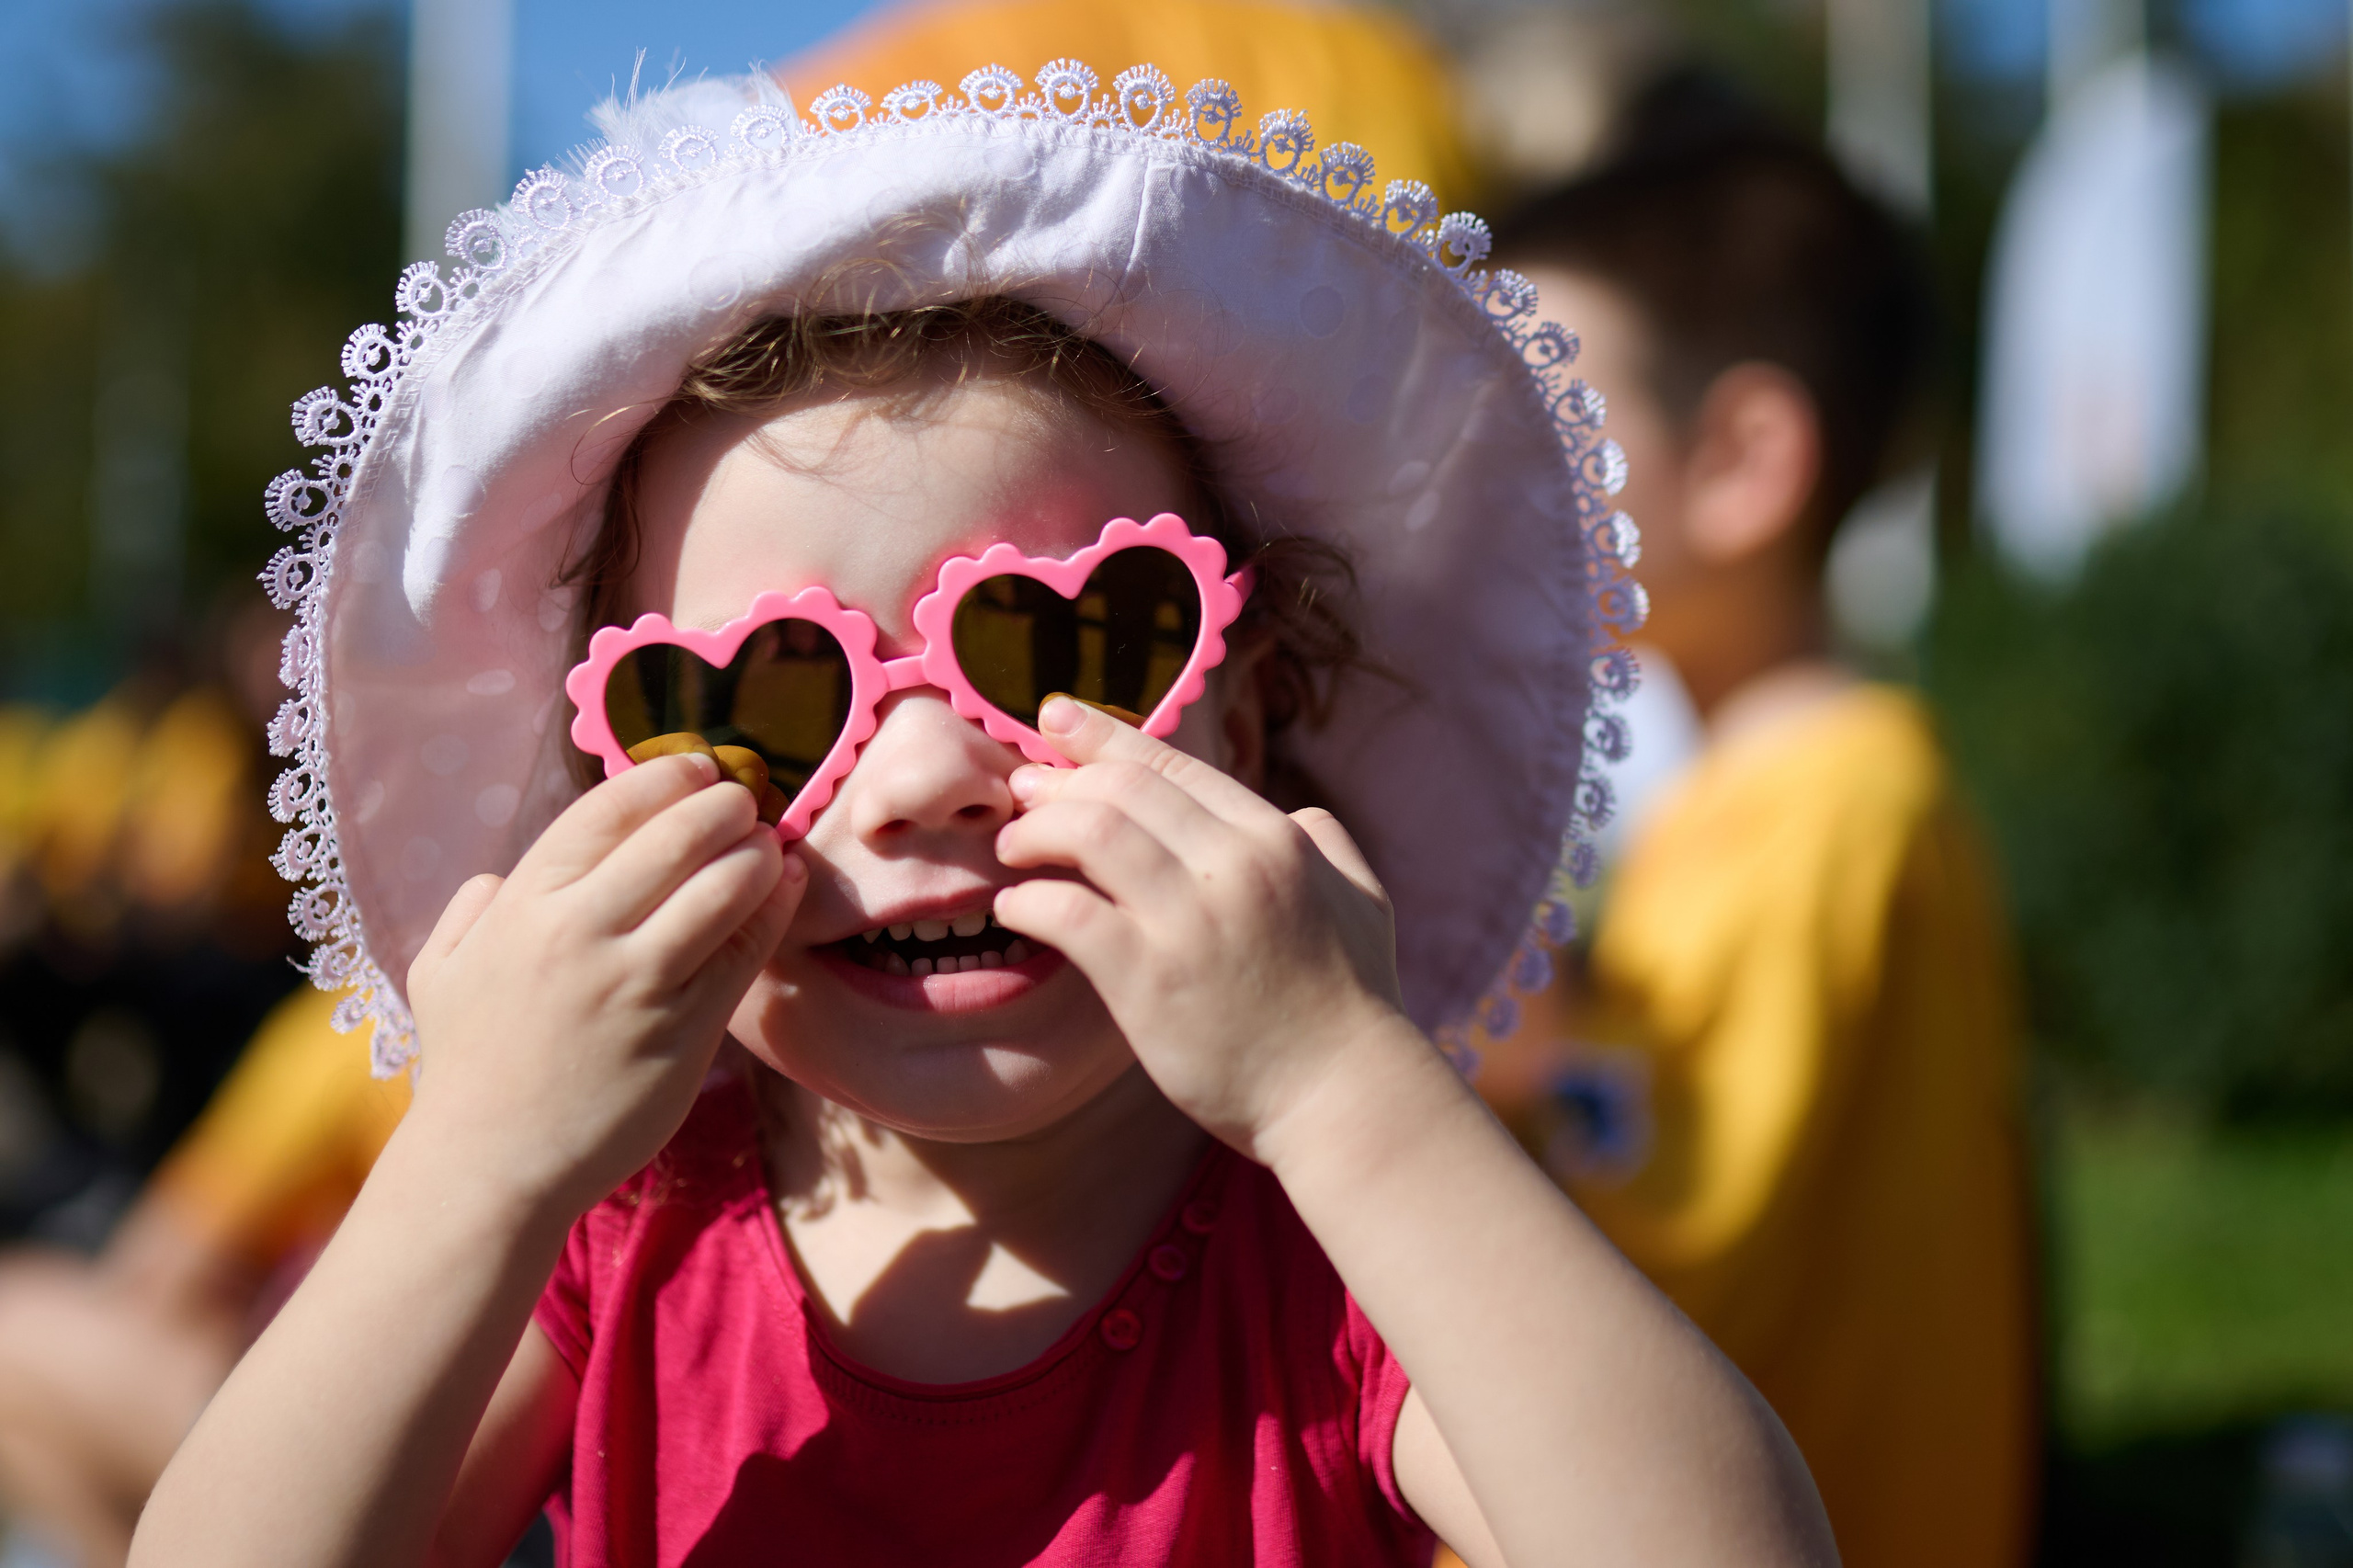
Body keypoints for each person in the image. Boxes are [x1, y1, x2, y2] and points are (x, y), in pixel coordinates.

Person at [131, 60, 1836, 1568]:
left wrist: (1346, 1092)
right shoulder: (624, 1235)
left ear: (1241, 728)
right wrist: (473, 1167)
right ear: (617, 795)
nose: (926, 770)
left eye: (1059, 647)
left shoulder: (1336, 1245)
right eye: (767, 701)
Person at [1479, 72, 2039, 1568]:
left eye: (1542, 415)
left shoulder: (1810, 819)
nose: (1490, 476)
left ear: (1741, 464)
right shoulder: (1815, 785)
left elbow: (1636, 1308)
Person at [0, 988, 404, 1568]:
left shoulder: (365, 1016)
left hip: (353, 1440)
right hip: (477, 1429)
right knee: (29, 1420)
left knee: (14, 1335)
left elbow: (160, 1270)